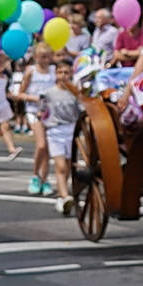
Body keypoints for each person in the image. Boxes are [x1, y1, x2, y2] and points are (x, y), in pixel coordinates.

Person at [18, 43, 57, 192]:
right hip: (32, 113)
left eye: (47, 57)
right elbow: (20, 93)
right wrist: (34, 98)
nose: (45, 60)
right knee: (41, 144)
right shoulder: (31, 71)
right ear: (36, 57)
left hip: (49, 113)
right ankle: (35, 175)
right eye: (42, 57)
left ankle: (44, 179)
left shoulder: (53, 71)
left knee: (46, 148)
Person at [47, 60, 83, 215]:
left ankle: (62, 194)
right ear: (56, 74)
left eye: (66, 73)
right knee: (60, 165)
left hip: (71, 129)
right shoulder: (49, 93)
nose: (63, 76)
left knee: (68, 165)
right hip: (55, 130)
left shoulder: (75, 93)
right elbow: (41, 111)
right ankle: (64, 195)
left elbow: (81, 110)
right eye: (60, 72)